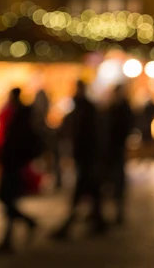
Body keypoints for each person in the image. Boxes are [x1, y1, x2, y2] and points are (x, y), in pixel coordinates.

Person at [52, 81, 106, 239]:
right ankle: (97, 222)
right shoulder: (86, 109)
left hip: (87, 157)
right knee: (92, 193)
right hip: (87, 157)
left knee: (83, 192)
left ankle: (68, 227)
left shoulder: (85, 110)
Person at [0, 88, 40, 255]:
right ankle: (18, 230)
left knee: (6, 197)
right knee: (7, 198)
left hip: (13, 163)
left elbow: (13, 141)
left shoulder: (17, 115)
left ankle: (13, 235)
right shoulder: (22, 114)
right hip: (15, 162)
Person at [106, 84, 135, 225]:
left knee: (116, 178)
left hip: (115, 148)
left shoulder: (119, 108)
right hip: (114, 148)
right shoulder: (118, 108)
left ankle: (117, 211)